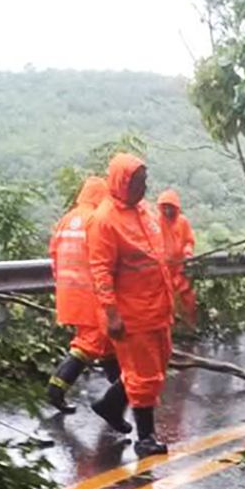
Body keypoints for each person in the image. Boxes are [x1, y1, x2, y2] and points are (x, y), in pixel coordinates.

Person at [88, 153, 175, 457]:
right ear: (122, 182)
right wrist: (111, 314)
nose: (144, 187)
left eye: (145, 181)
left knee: (156, 366)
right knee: (143, 375)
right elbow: (100, 271)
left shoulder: (143, 211)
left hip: (157, 307)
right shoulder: (105, 220)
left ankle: (110, 404)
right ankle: (146, 438)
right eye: (138, 182)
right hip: (132, 313)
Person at [45, 175, 119, 414]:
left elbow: (54, 256)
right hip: (91, 295)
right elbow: (103, 260)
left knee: (107, 344)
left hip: (69, 293)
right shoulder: (95, 220)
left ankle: (120, 392)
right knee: (89, 343)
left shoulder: (65, 220)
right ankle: (56, 390)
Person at [157, 189, 198, 331]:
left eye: (170, 207)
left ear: (176, 208)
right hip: (164, 269)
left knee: (187, 297)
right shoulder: (157, 222)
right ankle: (169, 329)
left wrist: (187, 253)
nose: (168, 210)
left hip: (180, 268)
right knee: (165, 300)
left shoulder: (183, 222)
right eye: (165, 207)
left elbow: (189, 241)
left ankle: (190, 326)